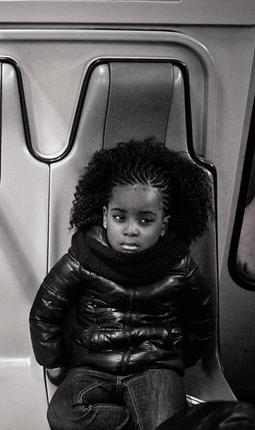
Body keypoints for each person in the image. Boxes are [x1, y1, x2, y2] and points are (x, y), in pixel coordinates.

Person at [29, 139, 214, 430]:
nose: (130, 230)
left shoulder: (180, 266)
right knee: (63, 415)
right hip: (92, 364)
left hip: (155, 366)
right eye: (119, 217)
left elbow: (200, 319)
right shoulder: (83, 257)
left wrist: (179, 357)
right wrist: (53, 361)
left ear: (163, 225)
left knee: (166, 423)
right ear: (104, 217)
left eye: (145, 220)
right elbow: (45, 312)